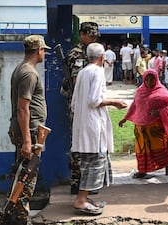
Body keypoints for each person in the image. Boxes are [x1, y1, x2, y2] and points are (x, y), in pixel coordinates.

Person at [0, 35, 50, 225]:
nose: (44, 53)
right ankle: (18, 219)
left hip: (27, 131)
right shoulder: (29, 73)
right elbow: (22, 108)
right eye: (43, 50)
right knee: (26, 178)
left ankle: (15, 216)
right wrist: (28, 141)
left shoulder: (22, 69)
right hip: (29, 132)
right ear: (38, 51)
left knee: (23, 174)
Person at [71, 42, 128, 215]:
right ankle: (81, 200)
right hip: (93, 124)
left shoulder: (82, 72)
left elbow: (75, 103)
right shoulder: (97, 71)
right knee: (94, 163)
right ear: (102, 57)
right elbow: (94, 100)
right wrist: (114, 102)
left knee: (88, 163)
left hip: (83, 123)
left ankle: (84, 197)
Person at [119, 69, 168, 179]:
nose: (149, 82)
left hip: (155, 127)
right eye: (147, 80)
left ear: (156, 79)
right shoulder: (140, 91)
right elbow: (134, 105)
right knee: (141, 149)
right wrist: (125, 119)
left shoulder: (162, 92)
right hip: (140, 126)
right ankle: (142, 170)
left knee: (160, 147)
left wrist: (159, 112)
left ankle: (167, 165)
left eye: (152, 79)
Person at [63, 22, 100, 195]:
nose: (93, 39)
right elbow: (77, 82)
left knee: (87, 141)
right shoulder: (77, 54)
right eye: (91, 36)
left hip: (88, 104)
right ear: (82, 34)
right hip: (79, 105)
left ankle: (85, 181)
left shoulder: (88, 52)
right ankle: (78, 181)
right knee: (79, 141)